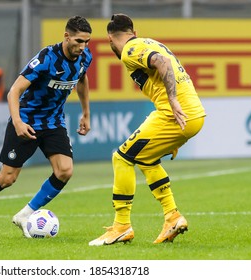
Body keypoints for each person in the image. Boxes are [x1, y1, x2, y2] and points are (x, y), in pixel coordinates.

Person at [0, 15, 93, 237]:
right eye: (78, 41)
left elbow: (82, 79)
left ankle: (25, 214)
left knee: (65, 171)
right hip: (27, 120)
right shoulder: (46, 58)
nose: (82, 47)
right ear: (66, 37)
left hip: (54, 122)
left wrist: (86, 113)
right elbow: (14, 92)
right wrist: (17, 122)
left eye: (86, 42)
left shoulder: (85, 57)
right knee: (7, 178)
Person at [89, 14, 206, 246]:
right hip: (192, 115)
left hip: (173, 114)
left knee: (121, 158)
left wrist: (172, 100)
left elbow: (161, 63)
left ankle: (121, 226)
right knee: (146, 160)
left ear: (110, 39)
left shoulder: (130, 49)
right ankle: (172, 217)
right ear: (133, 30)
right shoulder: (150, 42)